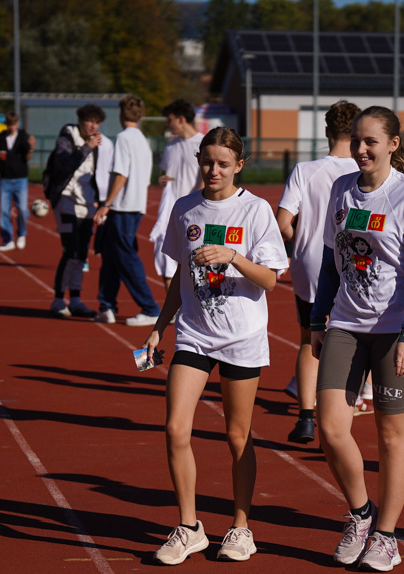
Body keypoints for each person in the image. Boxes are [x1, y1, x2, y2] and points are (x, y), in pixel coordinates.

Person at [142, 127, 288, 565]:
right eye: (207, 162)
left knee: (236, 435)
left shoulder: (256, 211)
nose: (214, 170)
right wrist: (157, 328)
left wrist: (233, 256)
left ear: (238, 166)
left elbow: (271, 280)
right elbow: (177, 279)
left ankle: (241, 527)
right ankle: (189, 527)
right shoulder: (186, 208)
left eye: (223, 163)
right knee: (174, 428)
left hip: (242, 337)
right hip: (193, 333)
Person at [310, 106, 404, 571]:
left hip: (397, 331)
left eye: (371, 141)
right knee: (329, 427)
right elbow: (331, 262)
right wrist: (316, 320)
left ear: (392, 144)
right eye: (356, 141)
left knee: (391, 436)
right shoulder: (341, 189)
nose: (362, 149)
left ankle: (386, 536)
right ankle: (361, 514)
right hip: (346, 323)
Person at [276, 100, 361, 444]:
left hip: (309, 266)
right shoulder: (364, 169)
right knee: (352, 340)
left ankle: (306, 418)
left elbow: (282, 222)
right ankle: (344, 415)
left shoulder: (305, 170)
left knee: (308, 340)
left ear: (326, 132)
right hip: (354, 263)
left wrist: (301, 244)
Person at [93, 95, 161, 326]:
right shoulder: (143, 140)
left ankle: (150, 308)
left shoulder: (123, 138)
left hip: (123, 206)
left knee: (125, 257)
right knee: (111, 255)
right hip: (135, 205)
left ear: (122, 114)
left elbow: (121, 174)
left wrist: (106, 204)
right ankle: (107, 305)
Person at [47, 104, 109, 318]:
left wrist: (101, 201)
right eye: (89, 121)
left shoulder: (99, 144)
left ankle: (75, 299)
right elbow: (64, 164)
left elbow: (99, 175)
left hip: (86, 203)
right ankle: (57, 299)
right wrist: (87, 147)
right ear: (80, 121)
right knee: (70, 251)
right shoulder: (67, 137)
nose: (93, 126)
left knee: (82, 254)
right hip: (65, 200)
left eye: (97, 122)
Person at [151, 99, 204, 295]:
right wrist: (162, 179)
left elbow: (205, 179)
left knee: (194, 261)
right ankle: (172, 310)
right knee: (165, 257)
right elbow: (166, 175)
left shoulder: (202, 143)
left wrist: (196, 203)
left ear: (181, 119)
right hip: (169, 213)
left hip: (195, 213)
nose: (167, 123)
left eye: (170, 119)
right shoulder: (170, 146)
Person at [0, 112, 35, 251]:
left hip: (20, 178)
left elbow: (27, 157)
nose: (12, 127)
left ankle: (22, 233)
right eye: (9, 124)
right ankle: (7, 239)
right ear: (6, 124)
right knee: (4, 210)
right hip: (5, 179)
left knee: (22, 209)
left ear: (18, 123)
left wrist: (31, 147)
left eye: (14, 124)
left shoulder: (23, 137)